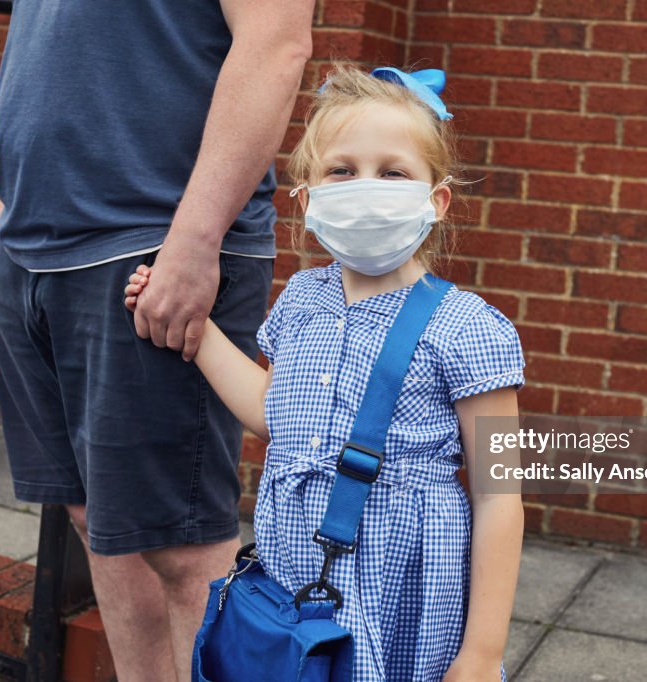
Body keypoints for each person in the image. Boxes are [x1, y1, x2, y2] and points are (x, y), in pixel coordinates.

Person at [125, 64, 525, 681]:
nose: (367, 185)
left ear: (435, 199)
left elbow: (500, 496)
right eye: (343, 170)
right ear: (308, 200)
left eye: (393, 172)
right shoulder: (302, 299)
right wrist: (196, 330)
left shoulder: (470, 329)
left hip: (404, 595)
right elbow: (271, 413)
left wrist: (482, 654)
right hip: (297, 576)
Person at [0, 1, 315, 679]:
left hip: (153, 243)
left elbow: (277, 44)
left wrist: (196, 240)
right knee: (97, 522)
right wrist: (8, 213)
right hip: (30, 248)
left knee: (184, 549)